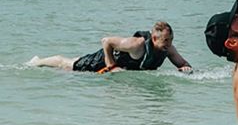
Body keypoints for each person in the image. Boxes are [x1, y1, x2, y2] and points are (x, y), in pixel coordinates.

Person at [29, 21, 193, 73]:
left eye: (171, 40)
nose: (169, 44)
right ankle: (38, 61)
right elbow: (106, 41)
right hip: (106, 58)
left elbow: (184, 64)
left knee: (72, 62)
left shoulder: (168, 49)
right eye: (165, 40)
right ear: (155, 38)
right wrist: (111, 66)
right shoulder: (136, 44)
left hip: (120, 65)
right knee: (69, 65)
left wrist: (186, 69)